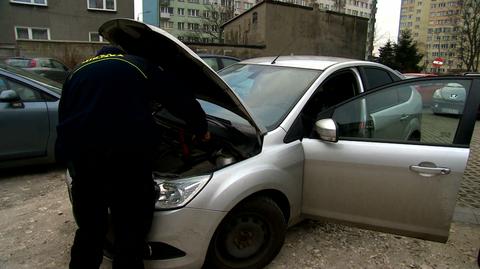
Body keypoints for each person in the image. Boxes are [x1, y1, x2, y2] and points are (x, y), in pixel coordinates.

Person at [56, 45, 209, 269]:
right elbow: (178, 97)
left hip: (85, 163)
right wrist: (200, 127)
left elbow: (64, 120)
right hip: (127, 162)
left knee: (90, 230)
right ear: (121, 53)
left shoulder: (76, 73)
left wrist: (70, 162)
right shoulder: (137, 64)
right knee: (130, 230)